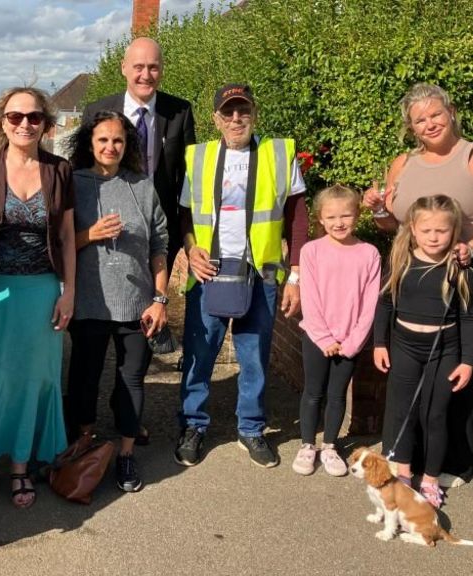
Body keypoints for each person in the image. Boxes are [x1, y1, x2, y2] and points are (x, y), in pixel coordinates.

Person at [364, 83, 473, 485]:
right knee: (407, 374)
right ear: (410, 127)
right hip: (411, 272)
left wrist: (471, 248)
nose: (429, 123)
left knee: (456, 371)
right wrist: (379, 210)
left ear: (451, 112)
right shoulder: (402, 164)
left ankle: (454, 462)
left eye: (435, 114)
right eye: (420, 119)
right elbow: (393, 226)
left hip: (461, 270)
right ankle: (405, 460)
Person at [176, 83, 310, 468]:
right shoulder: (198, 157)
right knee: (200, 355)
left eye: (243, 110)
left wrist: (296, 275)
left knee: (254, 357)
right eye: (228, 112)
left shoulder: (278, 154)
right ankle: (193, 426)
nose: (236, 118)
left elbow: (297, 215)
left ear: (254, 113)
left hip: (262, 273)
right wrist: (190, 248)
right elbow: (185, 214)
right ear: (216, 118)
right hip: (208, 272)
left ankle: (250, 429)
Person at [0, 86, 75, 509]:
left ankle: (22, 466)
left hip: (43, 289)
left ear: (45, 123)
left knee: (35, 379)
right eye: (15, 116)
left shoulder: (59, 170)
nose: (24, 124)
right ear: (1, 122)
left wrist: (70, 293)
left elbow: (64, 236)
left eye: (33, 117)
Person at [64, 111, 169, 492]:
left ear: (128, 145)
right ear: (89, 143)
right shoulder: (73, 184)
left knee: (131, 379)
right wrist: (88, 234)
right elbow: (58, 246)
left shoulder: (141, 186)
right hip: (89, 303)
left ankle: (125, 454)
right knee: (84, 378)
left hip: (137, 304)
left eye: (118, 141)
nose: (111, 147)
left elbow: (160, 244)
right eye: (103, 140)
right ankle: (84, 443)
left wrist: (159, 298)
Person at [373, 195, 473, 508]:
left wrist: (467, 362)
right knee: (402, 411)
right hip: (404, 346)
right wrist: (380, 343)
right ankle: (403, 474)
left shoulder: (460, 270)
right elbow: (384, 304)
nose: (434, 237)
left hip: (444, 350)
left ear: (454, 231)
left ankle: (431, 478)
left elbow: (470, 318)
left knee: (434, 415)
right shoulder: (400, 261)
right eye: (427, 230)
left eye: (442, 231)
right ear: (413, 231)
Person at [83, 37, 195, 270]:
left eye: (153, 67)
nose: (146, 75)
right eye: (139, 67)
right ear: (124, 68)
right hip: (109, 223)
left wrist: (187, 234)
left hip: (160, 227)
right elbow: (82, 171)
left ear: (162, 70)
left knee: (154, 296)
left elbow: (188, 176)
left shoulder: (180, 112)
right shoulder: (96, 111)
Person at [292, 185, 380, 477]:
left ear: (358, 216)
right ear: (320, 218)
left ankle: (330, 446)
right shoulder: (311, 251)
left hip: (350, 342)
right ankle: (307, 445)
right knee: (314, 393)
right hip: (317, 338)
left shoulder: (369, 253)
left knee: (338, 394)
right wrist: (325, 337)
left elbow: (370, 304)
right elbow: (311, 297)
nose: (339, 222)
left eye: (346, 215)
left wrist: (354, 341)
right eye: (331, 217)